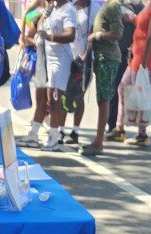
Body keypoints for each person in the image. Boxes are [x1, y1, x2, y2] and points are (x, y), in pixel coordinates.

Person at [117, 0, 151, 146]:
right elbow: (145, 26)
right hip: (140, 54)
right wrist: (133, 18)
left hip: (148, 56)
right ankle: (121, 127)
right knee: (124, 87)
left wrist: (144, 62)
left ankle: (141, 133)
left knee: (143, 92)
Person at [78, 0, 125, 155]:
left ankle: (98, 143)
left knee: (104, 99)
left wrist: (97, 35)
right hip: (102, 57)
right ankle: (97, 141)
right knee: (102, 99)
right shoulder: (105, 6)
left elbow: (117, 33)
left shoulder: (112, 5)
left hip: (108, 57)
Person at [38, 0, 78, 150]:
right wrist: (47, 11)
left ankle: (54, 139)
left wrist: (50, 37)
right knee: (51, 99)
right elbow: (40, 27)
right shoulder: (54, 8)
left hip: (61, 59)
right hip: (50, 58)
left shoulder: (69, 9)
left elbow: (70, 35)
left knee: (56, 99)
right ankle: (53, 133)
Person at [105, 1, 143, 142]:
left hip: (128, 54)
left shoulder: (140, 8)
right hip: (112, 51)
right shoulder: (114, 4)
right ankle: (113, 125)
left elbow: (143, 30)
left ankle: (117, 126)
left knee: (119, 90)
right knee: (113, 90)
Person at [19, 0, 51, 147]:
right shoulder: (41, 14)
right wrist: (37, 43)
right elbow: (28, 36)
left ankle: (52, 133)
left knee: (50, 101)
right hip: (41, 62)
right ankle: (36, 133)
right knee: (41, 99)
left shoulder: (64, 11)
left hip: (54, 63)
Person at [62, 0, 93, 145]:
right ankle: (60, 130)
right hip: (67, 57)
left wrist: (85, 57)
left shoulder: (95, 9)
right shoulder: (70, 7)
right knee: (62, 95)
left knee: (78, 95)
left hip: (84, 62)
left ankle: (75, 131)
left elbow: (93, 37)